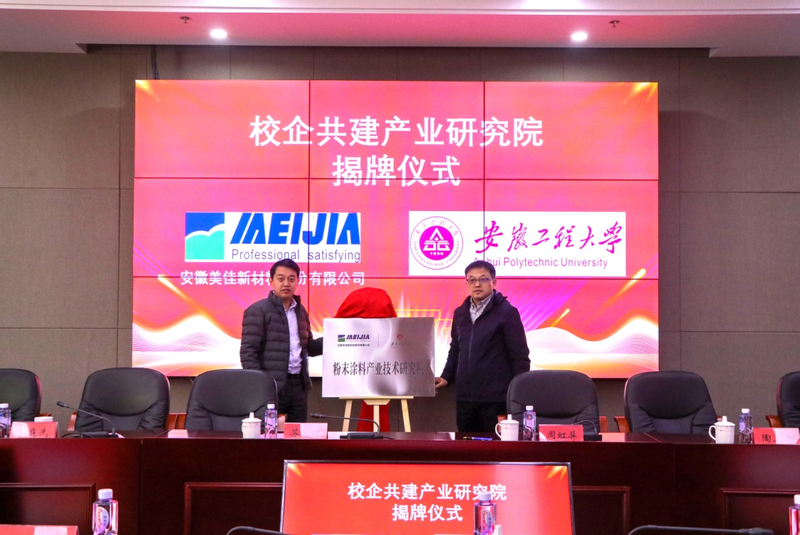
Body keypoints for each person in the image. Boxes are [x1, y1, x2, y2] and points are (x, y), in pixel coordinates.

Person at [435, 260, 531, 432]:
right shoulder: (460, 313)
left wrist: (519, 393)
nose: (477, 284)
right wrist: (446, 376)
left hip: (496, 399)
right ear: (466, 283)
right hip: (465, 398)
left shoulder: (507, 313)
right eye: (472, 280)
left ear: (494, 282)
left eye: (483, 279)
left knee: (495, 446)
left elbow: (520, 356)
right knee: (466, 446)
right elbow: (456, 348)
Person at [240, 258, 323, 422]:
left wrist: (335, 339)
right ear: (271, 281)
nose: (286, 284)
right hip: (271, 388)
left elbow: (308, 347)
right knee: (269, 434)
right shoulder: (258, 311)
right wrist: (262, 385)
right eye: (281, 279)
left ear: (298, 281)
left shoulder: (300, 311)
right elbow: (248, 353)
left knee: (296, 433)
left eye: (291, 279)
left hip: (298, 387)